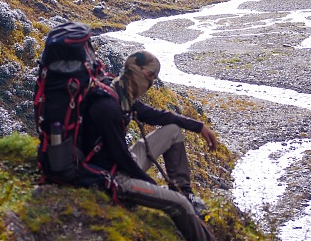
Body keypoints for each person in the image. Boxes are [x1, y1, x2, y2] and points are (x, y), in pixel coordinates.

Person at [81, 50, 218, 241]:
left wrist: (199, 126)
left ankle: (184, 190)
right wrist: (152, 186)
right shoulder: (108, 107)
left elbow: (160, 116)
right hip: (111, 176)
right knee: (180, 205)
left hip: (119, 163)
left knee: (173, 131)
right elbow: (121, 158)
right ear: (134, 71)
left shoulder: (121, 94)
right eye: (148, 76)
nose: (150, 83)